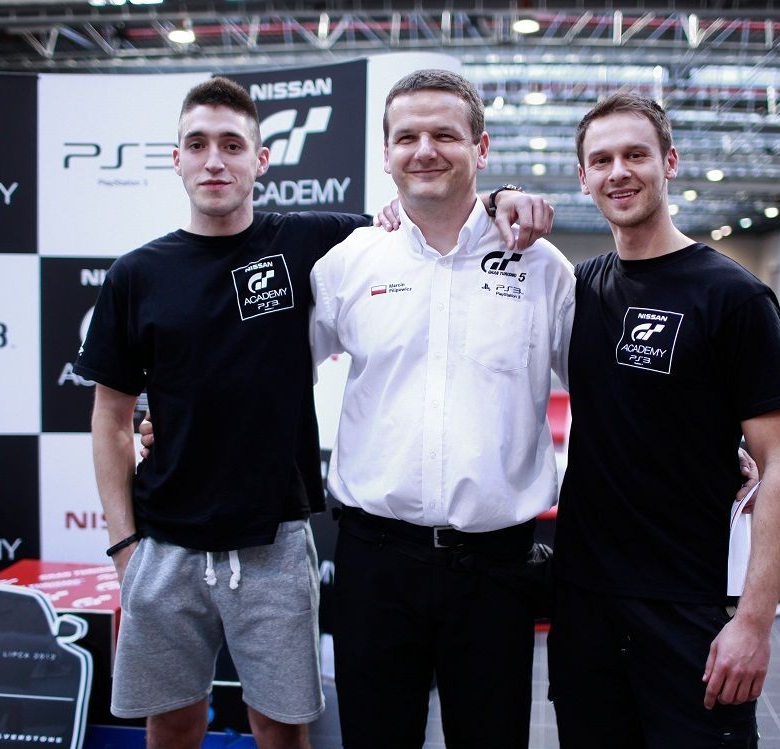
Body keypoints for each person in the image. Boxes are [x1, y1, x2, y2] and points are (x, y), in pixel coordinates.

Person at [73, 75, 552, 749]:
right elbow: (110, 417)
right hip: (166, 538)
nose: (215, 161)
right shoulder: (136, 274)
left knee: (280, 725)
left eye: (232, 144)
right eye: (198, 144)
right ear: (175, 159)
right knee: (172, 724)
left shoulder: (313, 242)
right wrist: (125, 545)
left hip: (274, 539)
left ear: (261, 160)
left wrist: (499, 198)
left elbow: (431, 214)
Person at [308, 69, 575, 749]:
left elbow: (608, 395)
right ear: (386, 154)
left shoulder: (543, 267)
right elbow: (274, 377)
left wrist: (715, 442)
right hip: (374, 563)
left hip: (496, 571)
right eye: (407, 137)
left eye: (445, 135)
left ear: (480, 148)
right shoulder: (350, 263)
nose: (424, 150)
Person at [547, 92, 780, 748]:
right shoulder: (580, 288)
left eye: (636, 154)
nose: (618, 172)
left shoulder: (734, 296)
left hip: (689, 606)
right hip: (585, 603)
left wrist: (754, 623)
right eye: (601, 160)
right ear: (582, 177)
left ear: (669, 162)